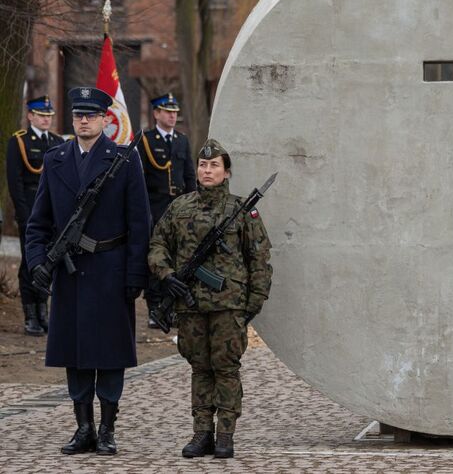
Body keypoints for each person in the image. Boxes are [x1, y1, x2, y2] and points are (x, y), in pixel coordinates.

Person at [25, 87, 151, 456]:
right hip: (69, 274)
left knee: (110, 354)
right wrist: (37, 264)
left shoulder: (124, 161)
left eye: (90, 116)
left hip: (110, 270)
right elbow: (38, 224)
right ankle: (84, 427)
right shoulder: (55, 159)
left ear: (103, 120)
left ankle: (108, 428)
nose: (83, 121)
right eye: (78, 115)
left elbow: (139, 224)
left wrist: (134, 276)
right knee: (75, 354)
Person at [148, 139, 272, 459]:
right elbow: (158, 245)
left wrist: (253, 302)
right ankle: (202, 432)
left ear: (226, 172)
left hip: (228, 305)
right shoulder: (180, 207)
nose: (207, 170)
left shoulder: (241, 210)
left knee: (226, 368)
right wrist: (167, 275)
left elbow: (259, 258)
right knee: (199, 367)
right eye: (203, 165)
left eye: (214, 165)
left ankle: (226, 435)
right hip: (189, 305)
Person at [5, 95, 63, 336]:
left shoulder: (58, 142)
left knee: (50, 261)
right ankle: (30, 314)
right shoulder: (19, 142)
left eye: (49, 116)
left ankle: (43, 311)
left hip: (54, 213)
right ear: (30, 116)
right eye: (41, 115)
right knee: (30, 262)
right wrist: (23, 215)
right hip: (30, 212)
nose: (46, 119)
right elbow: (15, 183)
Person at [138, 92, 196, 327]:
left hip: (179, 208)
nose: (173, 116)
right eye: (168, 112)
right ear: (156, 114)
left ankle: (170, 306)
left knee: (175, 257)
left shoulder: (181, 140)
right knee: (155, 258)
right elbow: (139, 179)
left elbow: (189, 176)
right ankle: (154, 307)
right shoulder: (145, 140)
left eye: (175, 112)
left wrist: (194, 204)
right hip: (155, 206)